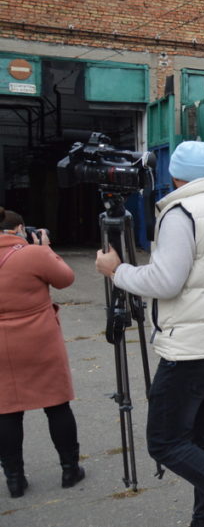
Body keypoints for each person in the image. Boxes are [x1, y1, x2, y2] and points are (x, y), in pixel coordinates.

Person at [95, 141, 204, 527]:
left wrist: (117, 271)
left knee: (164, 441)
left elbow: (165, 280)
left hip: (190, 348)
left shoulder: (181, 212)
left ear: (174, 175)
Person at [0, 208, 84, 498]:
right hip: (40, 340)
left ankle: (14, 479)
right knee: (57, 404)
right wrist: (46, 248)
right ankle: (70, 469)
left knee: (7, 411)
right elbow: (65, 279)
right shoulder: (33, 254)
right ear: (20, 228)